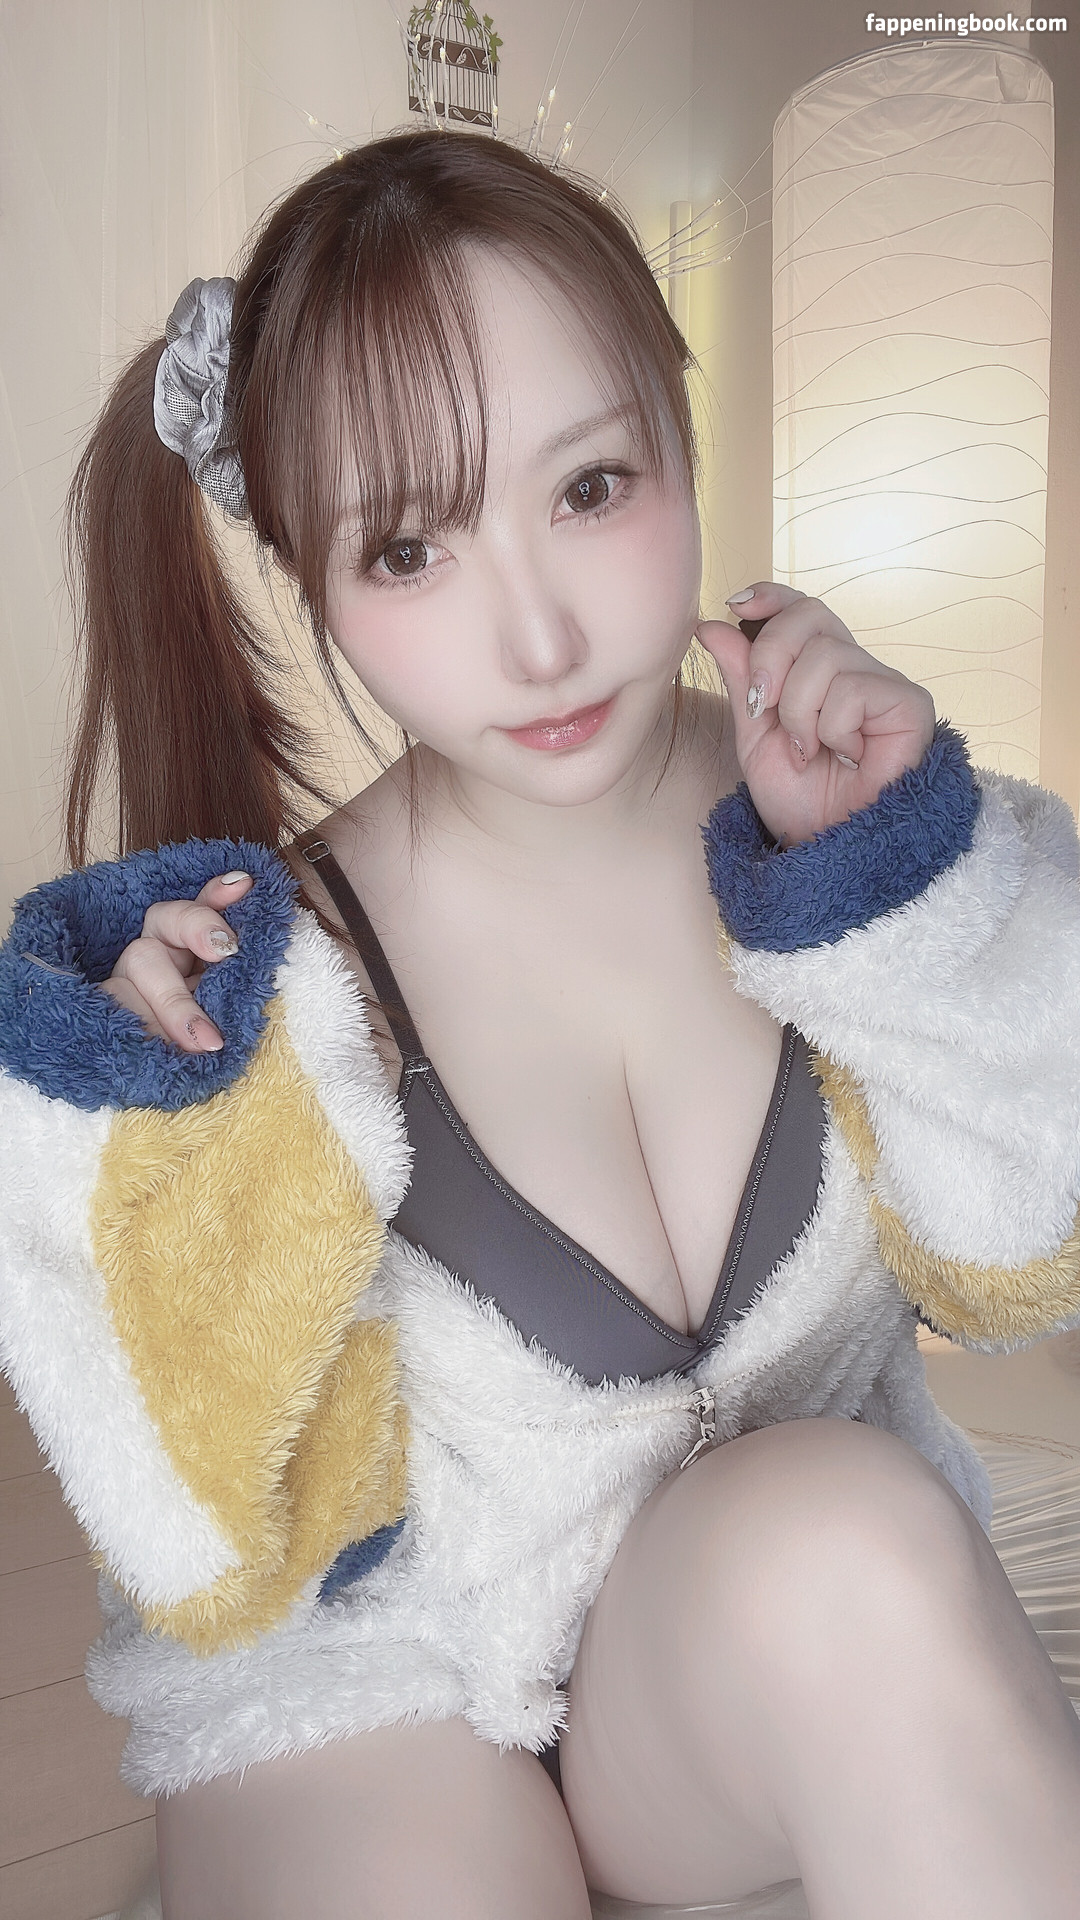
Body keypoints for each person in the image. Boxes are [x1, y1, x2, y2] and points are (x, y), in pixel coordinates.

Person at [1, 129, 1079, 1920]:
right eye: (409, 548)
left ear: (678, 424)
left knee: (863, 1542)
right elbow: (200, 1541)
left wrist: (894, 883)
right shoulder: (274, 981)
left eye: (589, 489)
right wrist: (138, 1138)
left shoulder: (861, 840)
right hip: (375, 1693)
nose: (538, 635)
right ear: (307, 573)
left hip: (723, 1667)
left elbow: (1026, 1265)